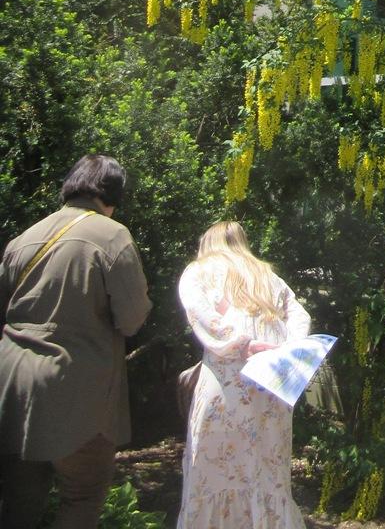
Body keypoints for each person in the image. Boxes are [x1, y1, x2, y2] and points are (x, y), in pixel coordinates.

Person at [0, 154, 151, 529]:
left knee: (19, 503)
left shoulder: (24, 239)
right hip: (77, 392)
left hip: (13, 390)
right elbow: (132, 319)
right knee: (82, 496)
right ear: (112, 195)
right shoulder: (111, 235)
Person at [176, 221, 311, 528]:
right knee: (268, 480)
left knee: (213, 478)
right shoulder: (268, 276)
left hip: (225, 386)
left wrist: (241, 343)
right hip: (271, 389)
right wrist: (284, 351)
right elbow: (300, 317)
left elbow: (202, 315)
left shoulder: (199, 271)